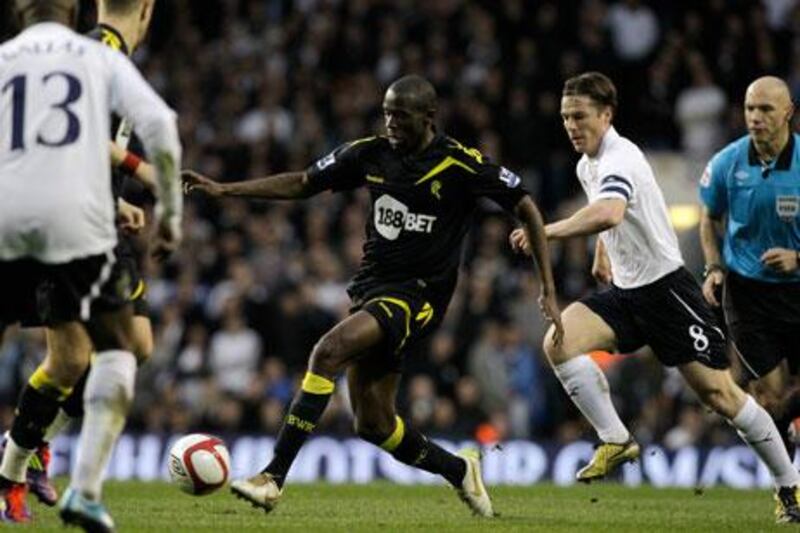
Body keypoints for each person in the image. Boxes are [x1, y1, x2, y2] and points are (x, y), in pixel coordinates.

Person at [183, 74, 562, 518]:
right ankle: (459, 470)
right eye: (386, 113)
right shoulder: (370, 152)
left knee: (328, 352)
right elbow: (304, 182)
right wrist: (226, 189)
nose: (391, 123)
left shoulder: (461, 163)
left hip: (419, 296)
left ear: (428, 117)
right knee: (374, 424)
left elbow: (527, 206)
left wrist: (548, 287)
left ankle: (272, 477)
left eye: (401, 116)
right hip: (372, 289)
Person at [509, 71, 800, 523]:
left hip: (667, 293)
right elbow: (612, 214)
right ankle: (616, 439)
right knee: (558, 343)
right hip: (626, 293)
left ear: (606, 115)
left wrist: (543, 231)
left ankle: (788, 485)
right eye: (566, 117)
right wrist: (605, 249)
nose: (570, 125)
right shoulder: (589, 164)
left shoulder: (621, 156)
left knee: (723, 397)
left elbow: (609, 210)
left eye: (580, 116)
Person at [0, 1, 182, 530]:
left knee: (130, 347)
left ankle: (28, 448)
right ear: (147, 10)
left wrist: (118, 194)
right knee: (76, 358)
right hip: (71, 220)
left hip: (83, 212)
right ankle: (17, 463)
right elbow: (74, 133)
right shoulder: (98, 53)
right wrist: (147, 177)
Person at [699, 76, 800, 455]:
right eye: (749, 108)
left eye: (766, 109)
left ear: (788, 112)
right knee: (771, 398)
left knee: (785, 404)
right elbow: (709, 218)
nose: (755, 117)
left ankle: (782, 441)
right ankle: (787, 488)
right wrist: (713, 267)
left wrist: (797, 257)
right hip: (749, 292)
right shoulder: (727, 162)